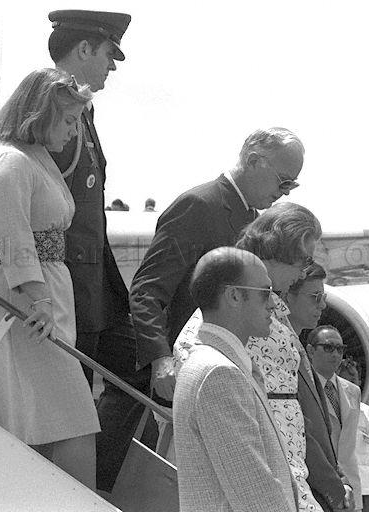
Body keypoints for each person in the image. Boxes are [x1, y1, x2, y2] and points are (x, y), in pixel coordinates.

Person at [0, 68, 99, 488]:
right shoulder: (11, 162)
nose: (73, 131)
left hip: (43, 299)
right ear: (40, 113)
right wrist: (40, 300)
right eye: (67, 121)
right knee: (69, 418)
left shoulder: (35, 158)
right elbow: (12, 238)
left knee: (51, 421)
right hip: (25, 303)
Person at [174, 202, 336, 511]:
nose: (304, 271)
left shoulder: (257, 317)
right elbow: (251, 478)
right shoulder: (219, 358)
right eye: (302, 259)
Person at [130, 126, 305, 410]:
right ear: (253, 160)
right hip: (190, 372)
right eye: (283, 182)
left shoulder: (253, 219)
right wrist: (159, 358)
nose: (284, 194)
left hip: (230, 371)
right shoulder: (198, 207)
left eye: (291, 187)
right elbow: (147, 289)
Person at [46, 9, 143, 493]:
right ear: (84, 50)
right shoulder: (51, 108)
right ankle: (75, 492)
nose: (112, 66)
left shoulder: (81, 111)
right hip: (70, 287)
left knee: (140, 364)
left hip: (95, 284)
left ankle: (93, 485)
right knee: (73, 407)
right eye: (108, 54)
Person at [173, 247, 296, 512]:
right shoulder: (219, 374)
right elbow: (254, 492)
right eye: (265, 293)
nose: (274, 303)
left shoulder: (207, 364)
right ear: (234, 296)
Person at [286, 262, 354, 511]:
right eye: (315, 297)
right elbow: (302, 431)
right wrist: (334, 488)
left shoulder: (297, 350)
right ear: (286, 295)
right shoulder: (280, 354)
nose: (323, 305)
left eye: (323, 297)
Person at [307, 326, 363, 511]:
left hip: (350, 485)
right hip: (317, 486)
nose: (336, 354)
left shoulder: (353, 391)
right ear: (310, 350)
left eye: (340, 349)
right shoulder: (302, 391)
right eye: (329, 347)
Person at [338, 363, 369, 512]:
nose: (349, 386)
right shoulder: (329, 414)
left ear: (360, 382)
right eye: (344, 381)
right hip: (341, 488)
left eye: (353, 381)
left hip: (367, 489)